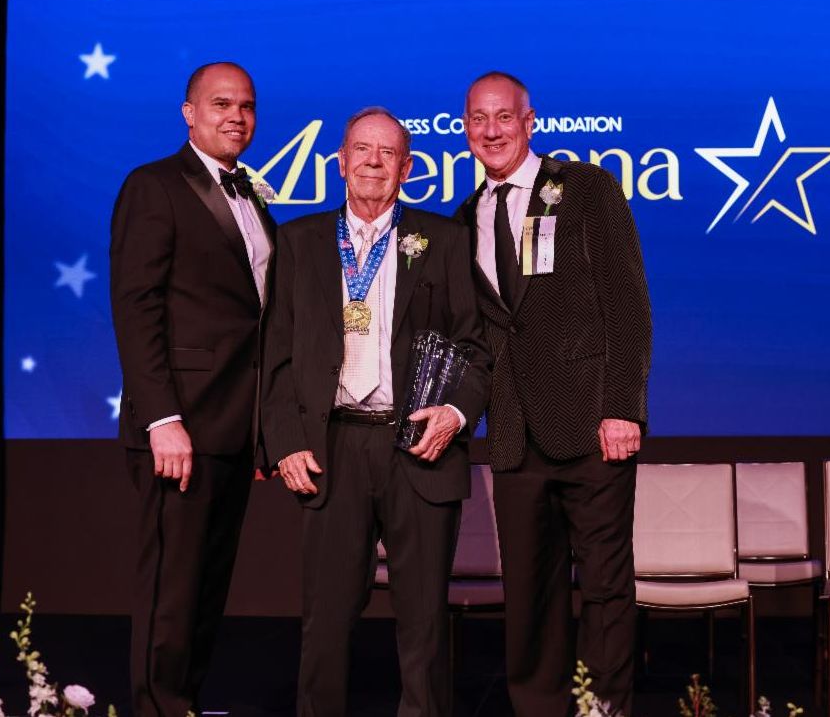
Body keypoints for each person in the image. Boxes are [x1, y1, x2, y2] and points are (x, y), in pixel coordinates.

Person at [261, 106, 491, 717]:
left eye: (386, 153)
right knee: (327, 619)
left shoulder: (443, 239)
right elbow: (275, 354)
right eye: (361, 150)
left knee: (423, 623)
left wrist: (456, 413)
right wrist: (283, 440)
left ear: (407, 168)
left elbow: (476, 346)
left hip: (417, 445)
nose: (372, 161)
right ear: (340, 162)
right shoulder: (299, 241)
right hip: (331, 445)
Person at [455, 71, 652, 717]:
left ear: (529, 122)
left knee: (602, 586)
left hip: (592, 425)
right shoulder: (465, 217)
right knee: (530, 594)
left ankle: (602, 709)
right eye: (478, 119)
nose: (490, 130)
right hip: (512, 434)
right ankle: (539, 709)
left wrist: (622, 405)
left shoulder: (585, 188)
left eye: (502, 117)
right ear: (464, 130)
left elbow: (625, 304)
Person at [109, 62, 275, 717]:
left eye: (247, 106)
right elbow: (136, 306)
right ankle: (156, 707)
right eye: (220, 103)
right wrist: (161, 419)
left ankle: (181, 702)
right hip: (180, 428)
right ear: (188, 112)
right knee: (171, 591)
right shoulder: (154, 186)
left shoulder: (252, 194)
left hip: (235, 426)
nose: (236, 116)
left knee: (206, 590)